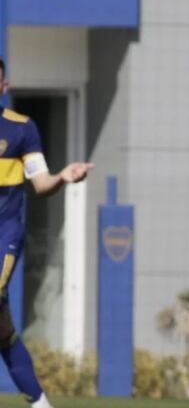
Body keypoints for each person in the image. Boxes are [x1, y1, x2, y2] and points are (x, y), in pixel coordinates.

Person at [0, 58, 93, 408]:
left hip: (4, 233)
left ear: (4, 87)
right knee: (4, 333)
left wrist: (62, 177)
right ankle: (41, 405)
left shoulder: (21, 129)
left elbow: (41, 183)